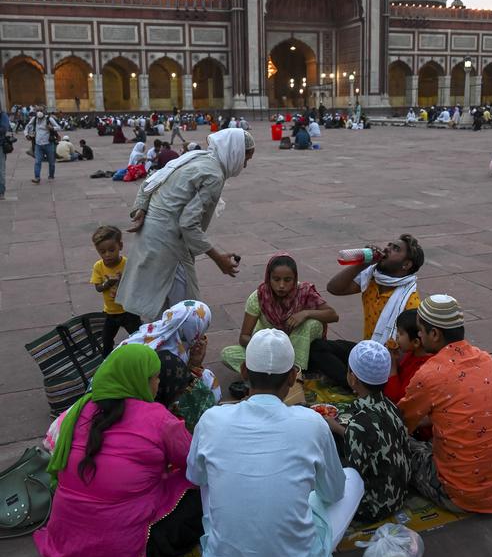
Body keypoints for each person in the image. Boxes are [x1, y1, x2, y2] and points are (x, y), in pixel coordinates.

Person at [187, 329, 364, 557]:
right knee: (352, 479)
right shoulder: (313, 423)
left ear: (244, 370)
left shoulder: (212, 419)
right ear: (293, 376)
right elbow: (334, 493)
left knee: (209, 478)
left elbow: (195, 477)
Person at [34, 344, 203, 557]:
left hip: (65, 534)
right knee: (200, 491)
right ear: (138, 380)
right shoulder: (159, 418)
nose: (157, 384)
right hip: (121, 547)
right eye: (155, 378)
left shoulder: (81, 408)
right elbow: (193, 463)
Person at [399, 295, 492, 513]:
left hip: (462, 494)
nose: (418, 335)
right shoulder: (486, 359)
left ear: (434, 334)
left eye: (420, 330)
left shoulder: (430, 373)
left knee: (397, 443)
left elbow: (401, 424)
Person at [117, 129, 255, 321]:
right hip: (169, 242)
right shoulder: (214, 174)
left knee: (161, 301)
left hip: (152, 232)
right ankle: (173, 346)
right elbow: (188, 224)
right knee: (186, 310)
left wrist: (141, 207)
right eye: (245, 158)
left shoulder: (196, 156)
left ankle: (161, 344)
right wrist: (218, 258)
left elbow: (151, 180)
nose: (245, 165)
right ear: (235, 152)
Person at [309, 235, 424, 387]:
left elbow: (409, 352)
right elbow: (334, 288)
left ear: (406, 264)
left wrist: (379, 366)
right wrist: (361, 264)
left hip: (387, 364)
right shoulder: (373, 278)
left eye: (395, 249)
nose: (387, 249)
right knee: (318, 348)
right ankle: (354, 384)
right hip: (366, 350)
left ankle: (360, 385)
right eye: (389, 245)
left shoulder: (410, 302)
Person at [324, 341, 411, 522]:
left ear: (353, 378)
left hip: (373, 507)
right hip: (400, 493)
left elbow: (353, 478)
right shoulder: (391, 406)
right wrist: (338, 429)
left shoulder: (358, 425)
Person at [221, 252, 339, 378]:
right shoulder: (258, 297)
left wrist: (305, 313)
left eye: (288, 280)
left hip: (300, 348)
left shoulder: (304, 292)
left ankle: (293, 375)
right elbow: (244, 337)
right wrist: (268, 347)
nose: (281, 285)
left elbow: (333, 315)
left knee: (311, 323)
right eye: (276, 279)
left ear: (294, 279)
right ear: (268, 278)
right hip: (269, 350)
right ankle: (281, 376)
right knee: (228, 354)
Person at [120, 300, 220, 429]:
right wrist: (195, 365)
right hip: (143, 407)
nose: (201, 337)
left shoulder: (153, 331)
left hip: (120, 398)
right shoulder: (171, 355)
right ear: (193, 331)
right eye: (201, 332)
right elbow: (174, 388)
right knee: (209, 380)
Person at [90, 226, 142, 357]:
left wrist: (122, 282)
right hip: (110, 312)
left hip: (129, 310)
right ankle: (106, 362)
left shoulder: (127, 264)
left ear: (120, 246)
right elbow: (98, 288)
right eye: (102, 252)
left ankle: (142, 357)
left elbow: (137, 284)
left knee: (139, 337)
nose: (107, 255)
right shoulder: (98, 266)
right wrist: (107, 283)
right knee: (106, 340)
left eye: (111, 250)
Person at [384, 309, 433, 405]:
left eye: (401, 333)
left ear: (415, 342)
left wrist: (393, 366)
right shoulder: (412, 353)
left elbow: (395, 398)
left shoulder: (421, 370)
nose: (396, 336)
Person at [24, 110, 60, 184]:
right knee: (37, 162)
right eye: (38, 118)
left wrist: (52, 128)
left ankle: (51, 175)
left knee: (51, 162)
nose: (39, 120)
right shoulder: (34, 119)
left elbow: (58, 127)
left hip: (49, 144)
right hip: (38, 145)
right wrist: (26, 134)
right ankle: (37, 177)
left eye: (41, 118)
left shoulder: (49, 119)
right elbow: (27, 126)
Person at [0, 109, 11, 200]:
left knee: (0, 170)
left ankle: (1, 191)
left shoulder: (3, 116)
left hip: (0, 146)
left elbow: (3, 129)